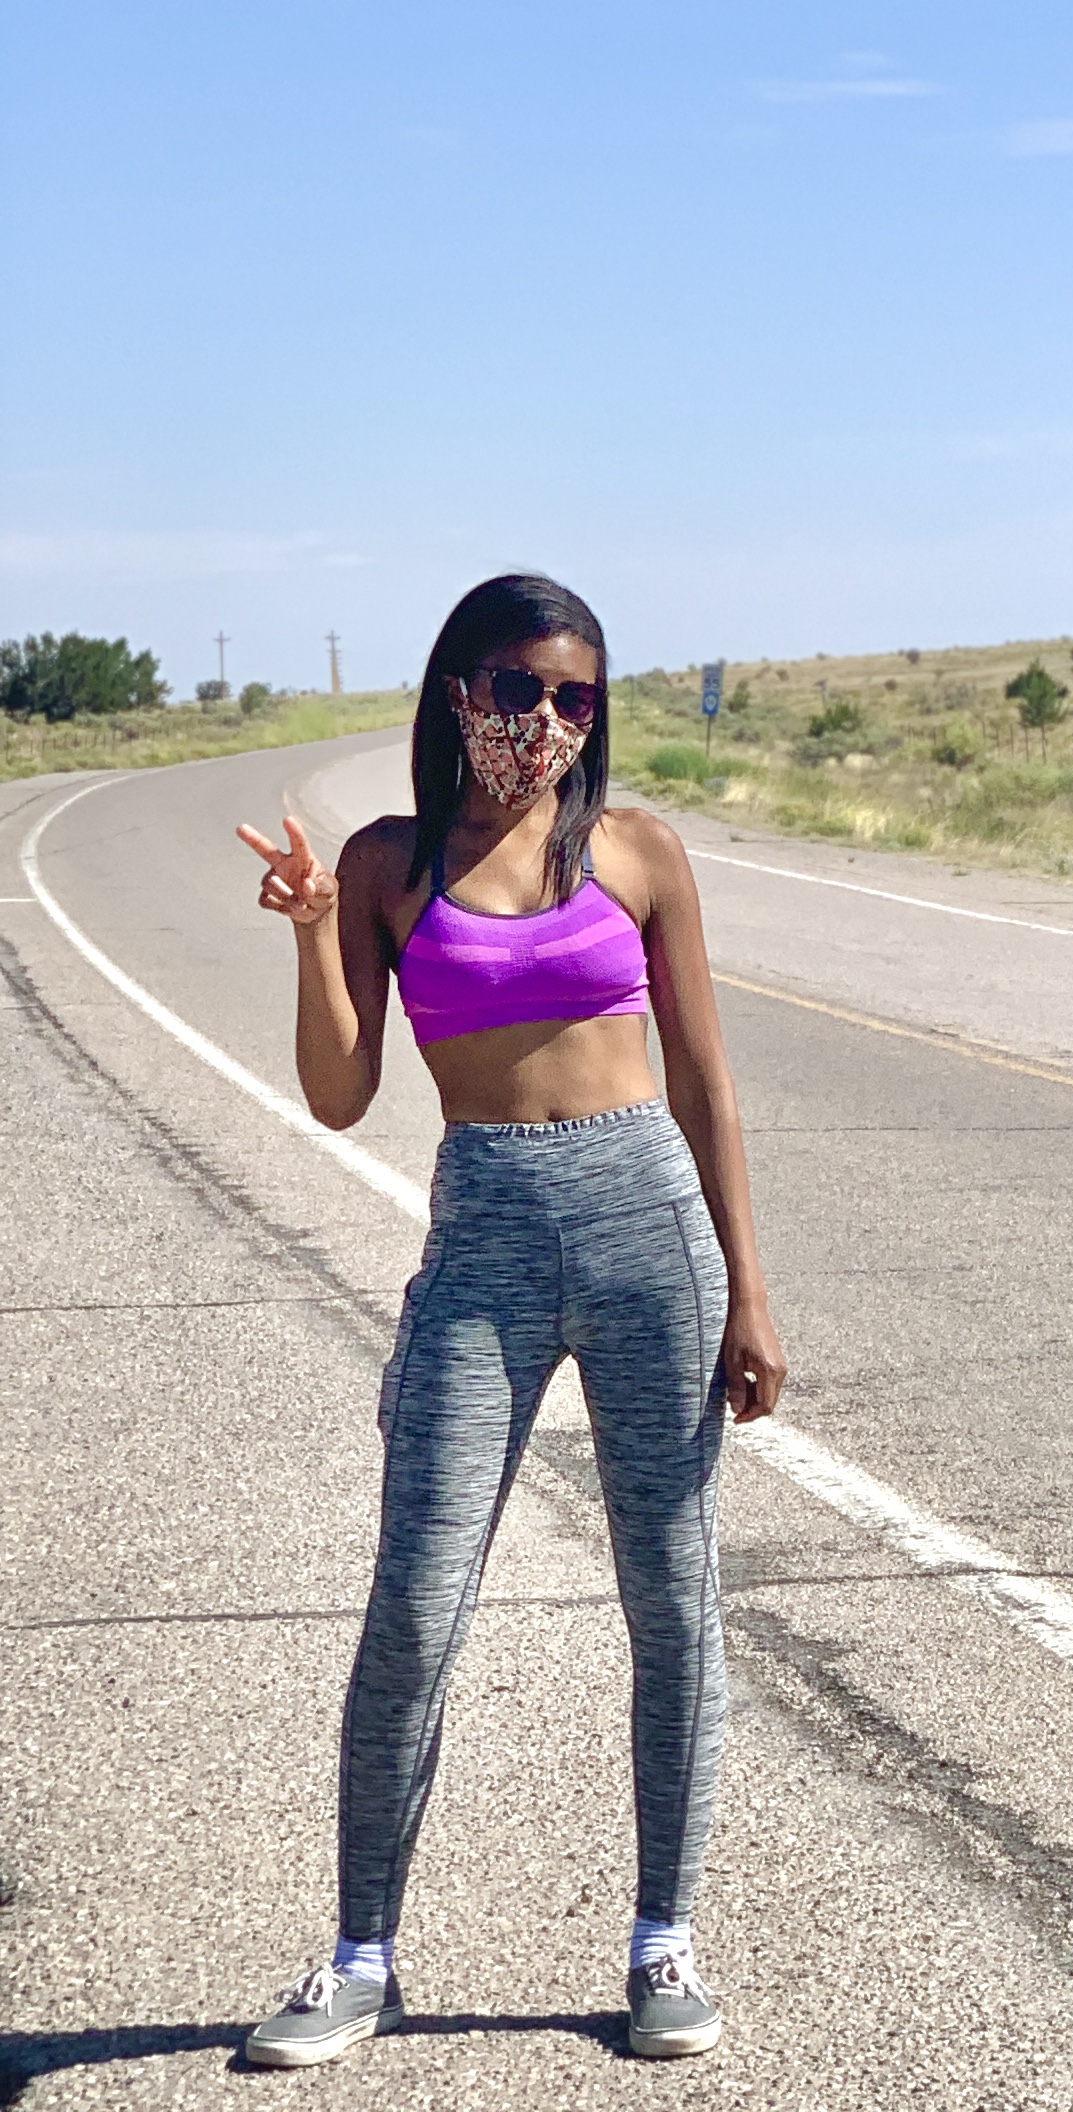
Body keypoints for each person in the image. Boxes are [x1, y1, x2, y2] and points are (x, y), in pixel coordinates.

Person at [230, 573, 786, 2067]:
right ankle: (360, 1957)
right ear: (458, 692)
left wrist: (747, 1285)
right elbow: (340, 1094)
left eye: (575, 696)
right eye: (519, 687)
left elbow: (705, 1082)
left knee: (672, 1598)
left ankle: (664, 1941)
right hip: (482, 1242)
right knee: (415, 1603)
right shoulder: (388, 863)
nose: (545, 720)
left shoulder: (639, 853)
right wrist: (311, 932)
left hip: (650, 1235)